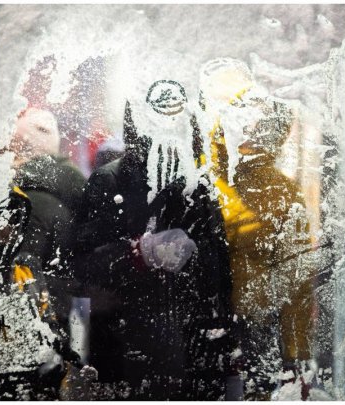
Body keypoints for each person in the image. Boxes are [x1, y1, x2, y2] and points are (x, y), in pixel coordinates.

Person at [74, 98, 234, 400]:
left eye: (177, 119)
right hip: (125, 350)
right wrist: (136, 255)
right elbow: (79, 265)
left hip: (192, 353)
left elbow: (219, 271)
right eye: (159, 119)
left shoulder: (198, 184)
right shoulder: (110, 179)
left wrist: (225, 346)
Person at [199, 58, 317, 400]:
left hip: (249, 323)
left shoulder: (273, 189)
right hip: (212, 322)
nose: (245, 124)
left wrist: (297, 353)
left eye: (250, 116)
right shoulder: (201, 177)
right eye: (233, 111)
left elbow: (296, 279)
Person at [0, 107, 86, 400]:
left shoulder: (20, 200)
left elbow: (21, 274)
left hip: (26, 329)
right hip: (58, 319)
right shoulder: (70, 194)